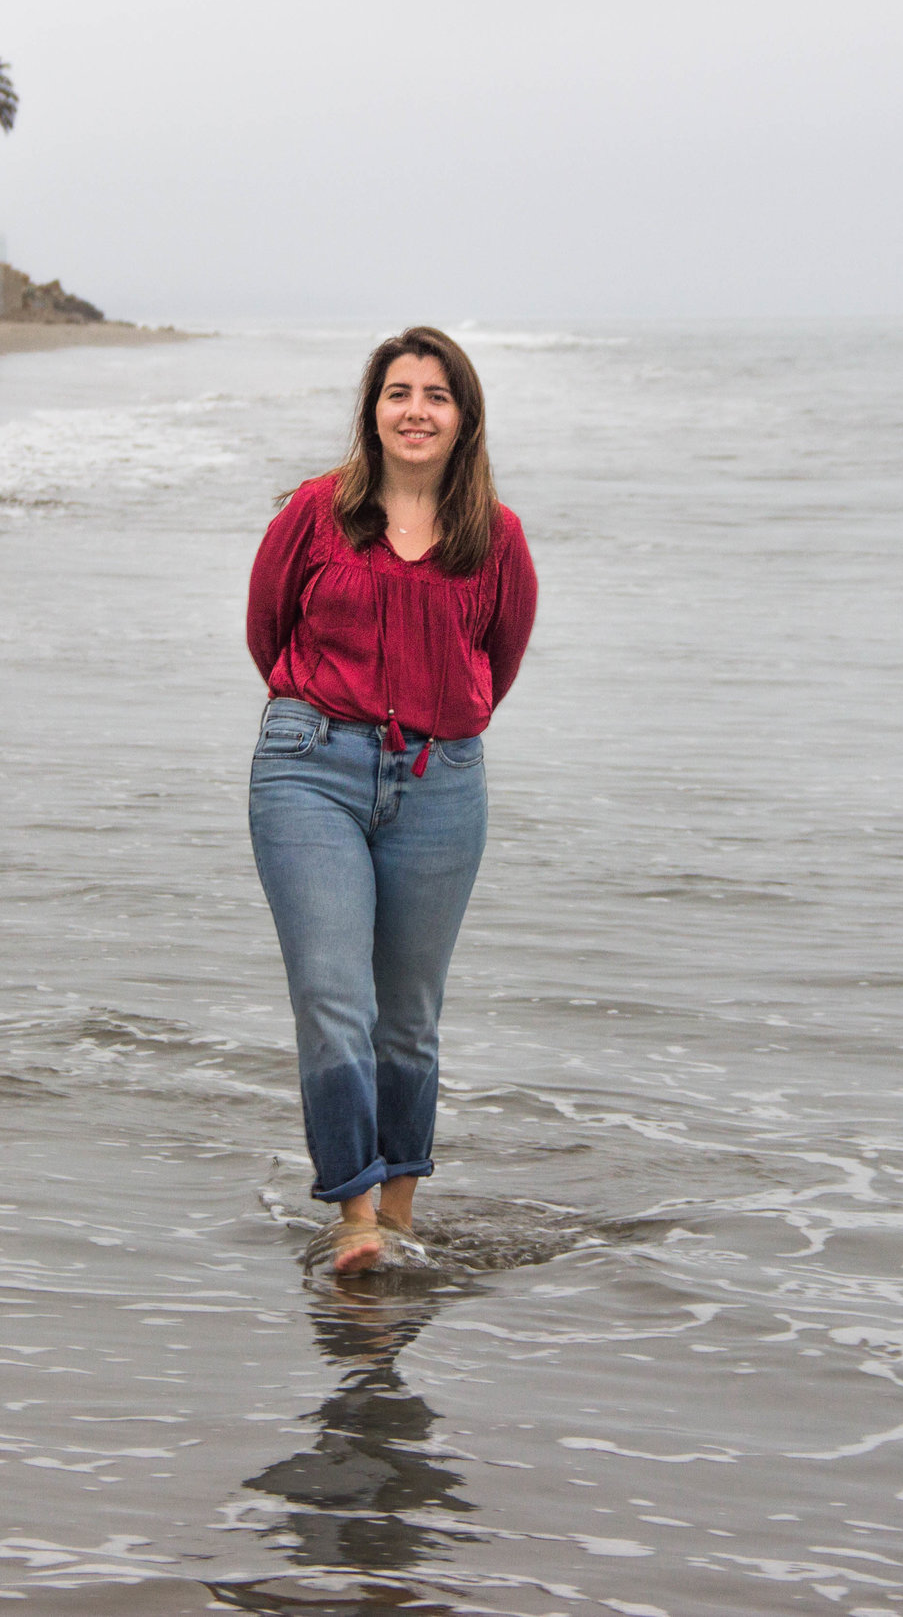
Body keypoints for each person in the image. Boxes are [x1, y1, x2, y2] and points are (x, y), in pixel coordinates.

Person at [246, 326, 539, 1276]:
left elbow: (498, 659)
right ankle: (356, 1217)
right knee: (333, 993)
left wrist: (435, 720)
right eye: (399, 391)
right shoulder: (314, 513)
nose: (417, 409)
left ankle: (402, 1215)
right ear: (373, 411)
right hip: (308, 766)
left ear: (465, 420)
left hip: (441, 783)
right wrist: (333, 710)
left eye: (438, 394)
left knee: (409, 1012)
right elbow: (266, 626)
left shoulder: (496, 538)